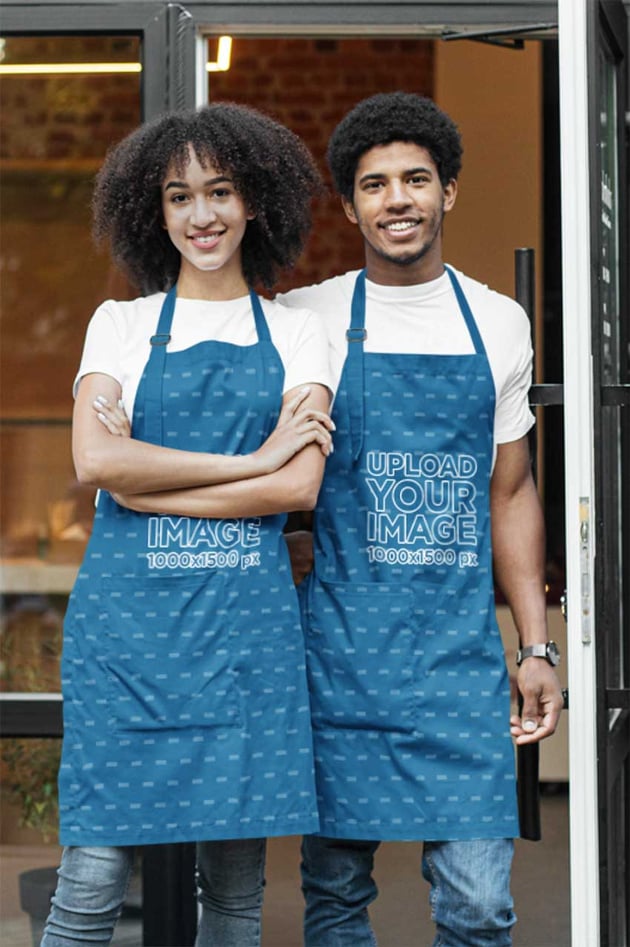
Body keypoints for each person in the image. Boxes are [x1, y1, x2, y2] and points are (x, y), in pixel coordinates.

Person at [276, 92, 565, 947]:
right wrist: (284, 541)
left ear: (449, 192)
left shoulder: (499, 322)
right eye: (374, 184)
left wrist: (537, 646)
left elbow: (510, 492)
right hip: (337, 656)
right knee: (335, 898)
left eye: (415, 179)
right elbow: (268, 465)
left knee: (478, 906)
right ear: (350, 205)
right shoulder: (307, 318)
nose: (396, 199)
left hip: (456, 663)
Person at [42, 102, 334, 947]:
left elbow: (300, 480)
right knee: (89, 885)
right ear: (156, 212)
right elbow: (96, 461)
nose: (201, 215)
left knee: (235, 896)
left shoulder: (299, 332)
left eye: (219, 191)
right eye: (179, 197)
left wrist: (148, 485)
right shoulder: (121, 324)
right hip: (127, 644)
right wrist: (254, 461)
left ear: (253, 202)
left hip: (245, 645)